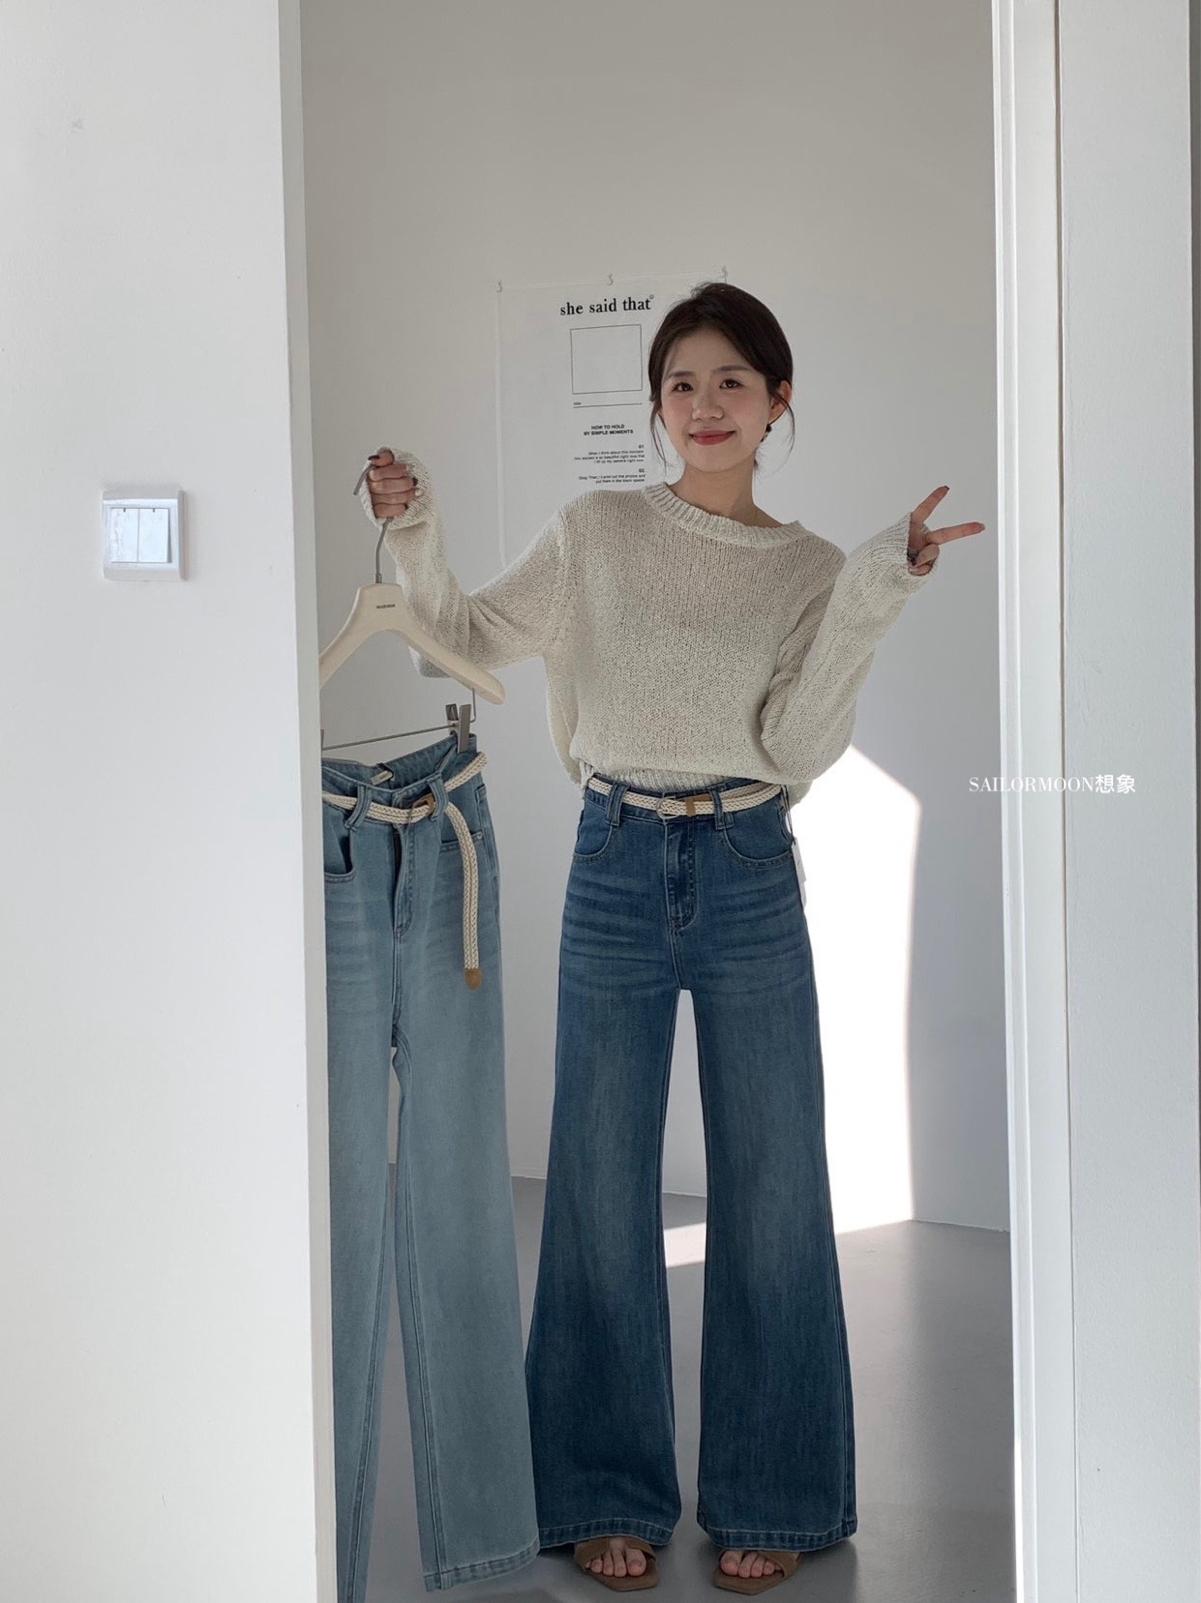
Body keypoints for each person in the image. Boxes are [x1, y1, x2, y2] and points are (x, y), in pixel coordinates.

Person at [361, 280, 985, 1594]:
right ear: (656, 406)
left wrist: (874, 587)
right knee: (596, 1185)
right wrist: (413, 530)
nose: (704, 406)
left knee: (773, 1185)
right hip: (614, 859)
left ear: (777, 402)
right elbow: (461, 638)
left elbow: (794, 745)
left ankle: (779, 1494)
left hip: (749, 861)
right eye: (681, 384)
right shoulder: (595, 531)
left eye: (731, 383)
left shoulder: (810, 570)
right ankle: (602, 1489)